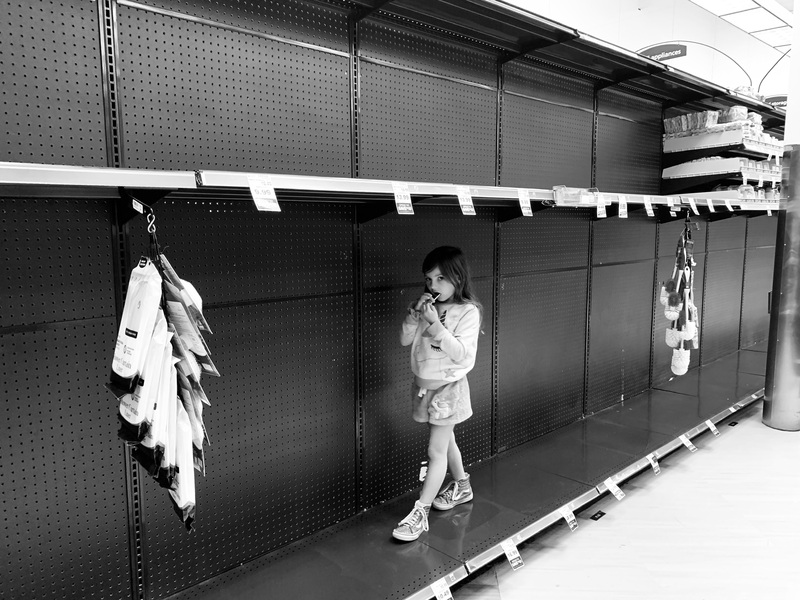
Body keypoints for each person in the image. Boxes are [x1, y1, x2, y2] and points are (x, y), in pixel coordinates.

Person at [393, 246, 482, 542]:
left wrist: (434, 325)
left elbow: (462, 355)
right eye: (430, 280)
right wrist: (413, 318)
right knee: (447, 441)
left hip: (448, 389)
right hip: (422, 387)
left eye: (441, 279)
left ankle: (420, 512)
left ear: (458, 277)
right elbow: (406, 341)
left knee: (435, 451)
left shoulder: (467, 311)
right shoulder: (427, 307)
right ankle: (463, 485)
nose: (434, 286)